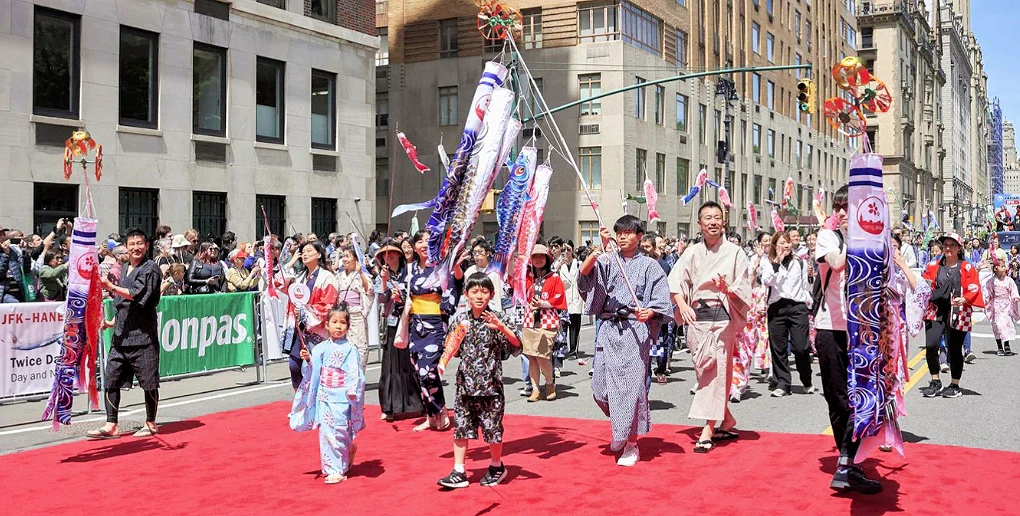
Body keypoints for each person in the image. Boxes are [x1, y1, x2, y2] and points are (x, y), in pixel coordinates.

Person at [579, 215, 671, 466]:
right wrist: (599, 248)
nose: (622, 236)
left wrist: (649, 312)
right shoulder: (609, 260)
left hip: (634, 330)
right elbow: (584, 275)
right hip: (608, 328)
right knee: (600, 389)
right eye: (619, 232)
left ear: (640, 237)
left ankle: (631, 443)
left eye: (629, 232)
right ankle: (621, 425)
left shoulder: (651, 266)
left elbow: (662, 301)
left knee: (630, 391)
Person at [813, 185, 882, 493]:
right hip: (830, 328)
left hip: (862, 329)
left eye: (846, 208)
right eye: (838, 208)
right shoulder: (828, 237)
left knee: (863, 396)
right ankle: (847, 461)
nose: (840, 213)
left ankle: (847, 461)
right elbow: (838, 264)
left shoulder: (870, 243)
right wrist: (856, 235)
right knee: (838, 396)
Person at [670, 202, 751, 453]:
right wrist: (682, 304)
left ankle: (707, 428)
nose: (713, 221)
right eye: (708, 217)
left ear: (723, 221)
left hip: (722, 314)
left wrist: (728, 289)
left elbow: (744, 285)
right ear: (700, 224)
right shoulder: (691, 252)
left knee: (716, 370)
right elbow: (675, 282)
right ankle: (726, 418)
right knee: (704, 368)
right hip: (696, 316)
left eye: (717, 217)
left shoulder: (736, 252)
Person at [436, 273, 522, 489]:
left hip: (491, 386)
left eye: (484, 291)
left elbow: (517, 345)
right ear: (466, 294)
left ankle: (496, 466)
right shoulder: (459, 319)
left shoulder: (498, 318)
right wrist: (444, 358)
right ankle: (459, 470)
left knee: (492, 428)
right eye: (474, 291)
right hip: (465, 385)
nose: (479, 295)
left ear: (491, 294)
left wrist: (500, 327)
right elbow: (451, 349)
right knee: (461, 428)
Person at [87, 228, 162, 439]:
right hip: (121, 336)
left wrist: (110, 286)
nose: (136, 247)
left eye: (140, 243)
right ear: (126, 247)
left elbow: (138, 295)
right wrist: (111, 321)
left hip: (143, 336)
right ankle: (112, 424)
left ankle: (150, 422)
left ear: (146, 246)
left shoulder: (151, 269)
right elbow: (121, 302)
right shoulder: (125, 268)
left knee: (149, 382)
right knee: (111, 379)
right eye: (132, 244)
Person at [289, 305, 365, 485]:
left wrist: (352, 390)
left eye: (342, 322)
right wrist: (307, 360)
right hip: (325, 396)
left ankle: (345, 456)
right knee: (326, 433)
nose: (338, 326)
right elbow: (313, 370)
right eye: (334, 322)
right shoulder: (321, 348)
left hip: (342, 395)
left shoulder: (350, 348)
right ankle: (335, 469)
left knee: (340, 431)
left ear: (348, 326)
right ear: (327, 324)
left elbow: (355, 371)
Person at [920, 233, 984, 399]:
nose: (948, 248)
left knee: (955, 349)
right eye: (945, 245)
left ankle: (954, 384)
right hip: (936, 309)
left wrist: (965, 298)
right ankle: (935, 380)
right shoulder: (933, 265)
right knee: (932, 345)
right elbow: (924, 285)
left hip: (959, 310)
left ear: (959, 248)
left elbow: (973, 287)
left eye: (952, 245)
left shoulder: (966, 267)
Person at [407, 231, 452, 432]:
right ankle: (430, 415)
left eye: (428, 240)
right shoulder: (409, 270)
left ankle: (441, 409)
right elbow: (400, 296)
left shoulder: (441, 268)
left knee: (430, 370)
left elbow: (451, 293)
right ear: (414, 246)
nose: (424, 244)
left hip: (434, 323)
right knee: (418, 370)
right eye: (419, 241)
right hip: (415, 324)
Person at [761, 231, 814, 397]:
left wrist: (808, 303)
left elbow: (805, 285)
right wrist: (777, 262)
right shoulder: (768, 262)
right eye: (781, 243)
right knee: (779, 348)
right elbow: (767, 280)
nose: (785, 246)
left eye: (788, 242)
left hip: (797, 307)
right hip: (777, 307)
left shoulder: (800, 262)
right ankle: (783, 383)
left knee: (801, 347)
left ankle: (806, 378)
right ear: (775, 246)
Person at [375, 241, 423, 421]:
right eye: (385, 255)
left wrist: (401, 298)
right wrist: (384, 281)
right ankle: (389, 406)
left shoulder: (410, 273)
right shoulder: (382, 275)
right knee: (391, 364)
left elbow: (414, 297)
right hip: (392, 323)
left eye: (392, 253)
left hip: (409, 322)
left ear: (400, 255)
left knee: (410, 363)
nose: (389, 257)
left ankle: (418, 403)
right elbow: (381, 299)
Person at [281, 241, 339, 390]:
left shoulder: (327, 277)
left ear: (319, 254)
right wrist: (292, 261)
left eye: (309, 251)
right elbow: (277, 282)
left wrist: (305, 312)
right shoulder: (299, 277)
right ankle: (299, 405)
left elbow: (328, 305)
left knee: (315, 368)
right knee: (294, 365)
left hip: (317, 330)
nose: (305, 254)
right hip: (298, 329)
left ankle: (316, 402)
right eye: (303, 251)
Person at [521, 244, 567, 402]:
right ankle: (535, 389)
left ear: (548, 259)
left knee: (542, 356)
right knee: (532, 356)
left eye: (542, 256)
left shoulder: (554, 277)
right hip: (529, 320)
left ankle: (549, 383)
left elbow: (560, 298)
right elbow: (514, 282)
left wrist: (544, 303)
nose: (539, 259)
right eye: (535, 256)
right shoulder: (527, 277)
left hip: (548, 321)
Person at [641, 235, 674, 384]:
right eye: (642, 246)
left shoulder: (663, 265)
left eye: (647, 247)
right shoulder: (637, 264)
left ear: (654, 248)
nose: (644, 250)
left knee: (660, 341)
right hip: (641, 312)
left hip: (658, 310)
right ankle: (645, 370)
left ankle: (660, 369)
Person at [335, 245, 373, 369]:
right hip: (342, 315)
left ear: (356, 259)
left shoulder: (361, 275)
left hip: (356, 314)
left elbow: (369, 291)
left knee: (359, 346)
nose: (344, 259)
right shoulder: (339, 276)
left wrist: (361, 273)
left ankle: (358, 374)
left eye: (347, 256)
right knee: (341, 345)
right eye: (343, 256)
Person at [983, 249, 1019, 354]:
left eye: (1004, 266)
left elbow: (1013, 290)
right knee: (997, 325)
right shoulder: (991, 281)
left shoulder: (1009, 280)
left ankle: (1007, 345)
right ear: (995, 268)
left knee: (1007, 324)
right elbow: (988, 293)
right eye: (1001, 266)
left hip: (1006, 305)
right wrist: (987, 301)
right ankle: (999, 347)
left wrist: (1015, 297)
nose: (1004, 268)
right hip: (996, 305)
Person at [559, 242, 585, 361]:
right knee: (563, 326)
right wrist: (559, 264)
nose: (566, 252)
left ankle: (573, 350)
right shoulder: (559, 264)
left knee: (575, 326)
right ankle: (562, 349)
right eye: (563, 249)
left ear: (572, 249)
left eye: (568, 249)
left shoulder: (579, 264)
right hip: (564, 298)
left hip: (576, 297)